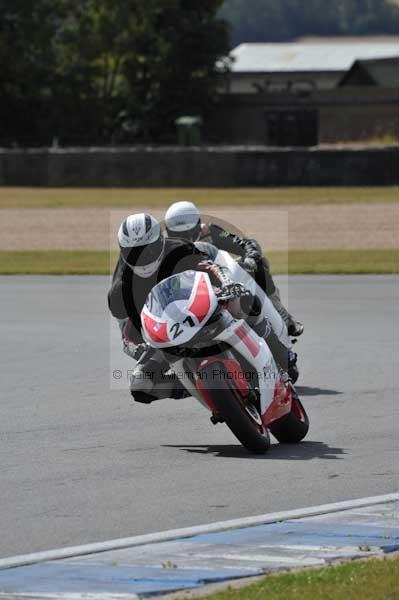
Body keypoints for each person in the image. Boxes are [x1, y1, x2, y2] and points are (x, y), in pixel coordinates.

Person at [108, 212, 296, 404]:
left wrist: (226, 284)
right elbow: (127, 333)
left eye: (147, 250)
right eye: (133, 253)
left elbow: (211, 267)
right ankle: (198, 388)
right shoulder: (119, 291)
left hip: (203, 306)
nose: (142, 259)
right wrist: (136, 348)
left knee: (247, 301)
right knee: (141, 384)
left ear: (160, 242)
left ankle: (281, 356)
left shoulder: (180, 249)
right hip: (168, 334)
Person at [164, 200, 304, 337]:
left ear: (198, 225)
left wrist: (251, 257)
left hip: (225, 281)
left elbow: (244, 243)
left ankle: (282, 314)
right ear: (168, 232)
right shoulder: (166, 247)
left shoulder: (211, 232)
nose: (183, 239)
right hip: (191, 291)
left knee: (260, 264)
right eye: (176, 235)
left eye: (188, 233)